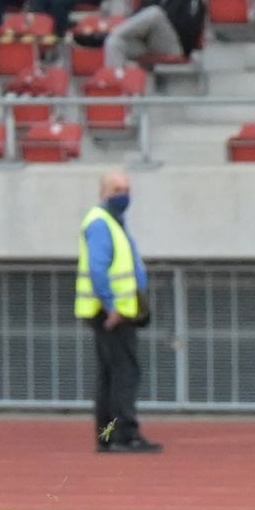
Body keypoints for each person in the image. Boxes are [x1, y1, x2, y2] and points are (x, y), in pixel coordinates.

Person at [79, 171, 162, 454]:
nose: (124, 195)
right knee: (123, 374)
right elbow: (98, 267)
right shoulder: (102, 223)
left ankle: (107, 436)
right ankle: (124, 434)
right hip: (112, 314)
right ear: (103, 192)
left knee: (110, 375)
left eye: (126, 189)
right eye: (117, 189)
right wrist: (111, 305)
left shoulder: (112, 222)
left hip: (116, 311)